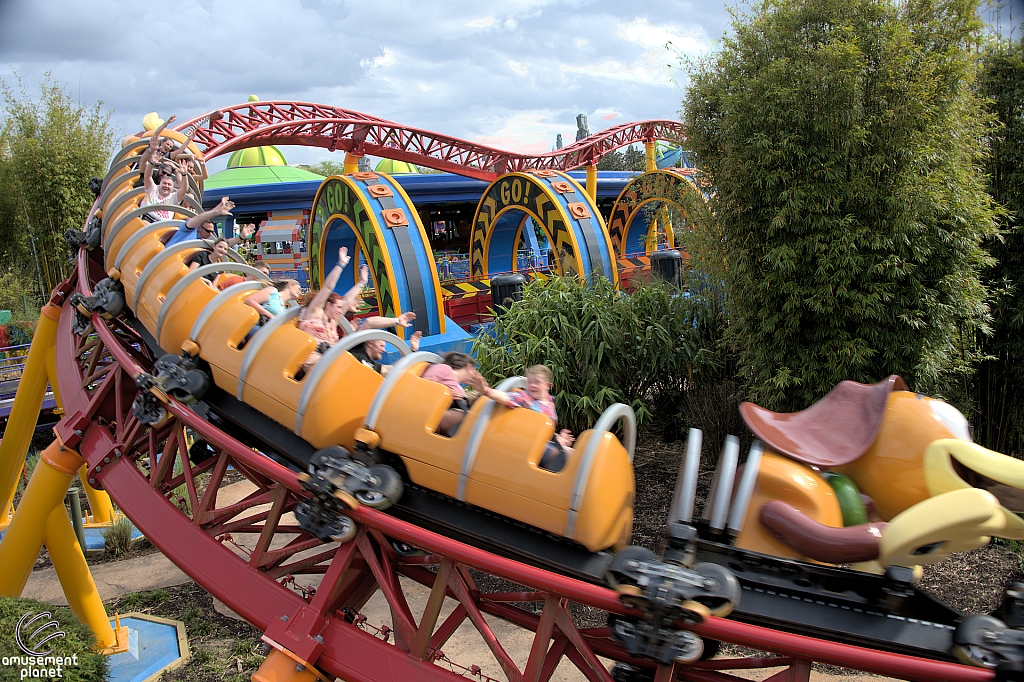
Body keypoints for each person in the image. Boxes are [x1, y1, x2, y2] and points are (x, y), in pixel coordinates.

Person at [472, 364, 575, 472]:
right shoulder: (524, 398)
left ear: (547, 385)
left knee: (573, 453)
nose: (532, 386)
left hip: (544, 443)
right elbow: (505, 397)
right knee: (564, 454)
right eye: (530, 382)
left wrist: (560, 437)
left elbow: (547, 430)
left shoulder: (549, 402)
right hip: (528, 444)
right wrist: (486, 390)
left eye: (537, 382)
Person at [421, 352, 478, 436]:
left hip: (449, 413)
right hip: (431, 412)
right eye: (474, 371)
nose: (474, 375)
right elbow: (425, 385)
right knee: (469, 420)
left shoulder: (459, 388)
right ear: (469, 367)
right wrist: (447, 393)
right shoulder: (444, 368)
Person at [162, 196, 255, 248]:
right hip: (169, 258)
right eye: (208, 231)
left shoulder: (205, 240)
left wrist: (241, 236)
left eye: (211, 231)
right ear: (199, 228)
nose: (210, 234)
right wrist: (217, 211)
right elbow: (198, 219)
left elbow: (224, 244)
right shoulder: (188, 230)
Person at [351, 333, 422, 376]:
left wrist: (412, 350)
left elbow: (392, 368)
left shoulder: (372, 364)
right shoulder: (357, 354)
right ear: (370, 344)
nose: (384, 350)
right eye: (381, 346)